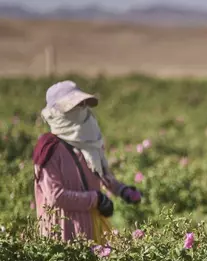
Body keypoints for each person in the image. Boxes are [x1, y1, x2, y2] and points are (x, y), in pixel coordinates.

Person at [32, 80, 142, 245]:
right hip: (61, 236)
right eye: (74, 106)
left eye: (83, 104)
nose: (82, 110)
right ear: (56, 113)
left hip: (90, 231)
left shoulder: (90, 143)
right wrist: (95, 199)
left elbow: (102, 176)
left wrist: (122, 190)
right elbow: (56, 197)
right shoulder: (49, 150)